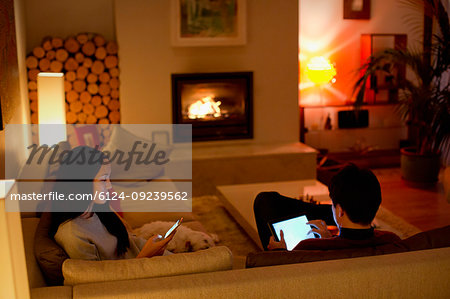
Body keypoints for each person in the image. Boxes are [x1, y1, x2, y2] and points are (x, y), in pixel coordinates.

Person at [49, 146, 173, 260]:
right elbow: (101, 280)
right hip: (138, 273)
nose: (109, 186)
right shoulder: (73, 235)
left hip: (150, 261)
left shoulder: (99, 212)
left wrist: (160, 250)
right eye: (103, 179)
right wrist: (145, 256)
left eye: (109, 178)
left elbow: (131, 242)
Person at [253, 164, 400, 251]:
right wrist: (330, 239)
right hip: (343, 236)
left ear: (340, 210)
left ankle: (327, 211)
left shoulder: (307, 248)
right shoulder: (392, 240)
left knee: (265, 201)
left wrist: (278, 253)